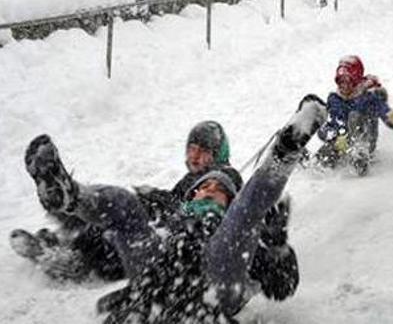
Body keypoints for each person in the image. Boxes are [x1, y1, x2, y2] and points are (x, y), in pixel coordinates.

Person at [22, 95, 327, 324]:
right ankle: (70, 196)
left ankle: (285, 152)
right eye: (202, 189)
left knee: (245, 215)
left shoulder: (238, 230)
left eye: (217, 191)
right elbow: (136, 221)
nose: (207, 191)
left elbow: (283, 286)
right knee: (126, 207)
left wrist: (276, 248)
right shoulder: (178, 216)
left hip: (215, 278)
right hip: (162, 272)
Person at [9, 121, 243, 283]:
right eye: (191, 149)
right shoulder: (192, 180)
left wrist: (162, 205)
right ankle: (63, 199)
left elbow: (204, 216)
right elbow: (178, 203)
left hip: (170, 250)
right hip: (160, 235)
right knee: (106, 216)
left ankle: (69, 256)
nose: (194, 156)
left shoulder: (223, 177)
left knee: (117, 216)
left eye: (203, 151)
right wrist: (156, 197)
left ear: (218, 154)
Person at [315, 56, 393, 176]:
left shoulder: (368, 96)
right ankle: (315, 163)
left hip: (365, 141)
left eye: (348, 81)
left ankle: (360, 156)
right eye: (340, 81)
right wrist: (334, 137)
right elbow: (329, 124)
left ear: (355, 80)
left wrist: (390, 116)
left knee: (354, 116)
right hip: (344, 142)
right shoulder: (335, 99)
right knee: (327, 151)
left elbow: (381, 108)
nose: (343, 85)